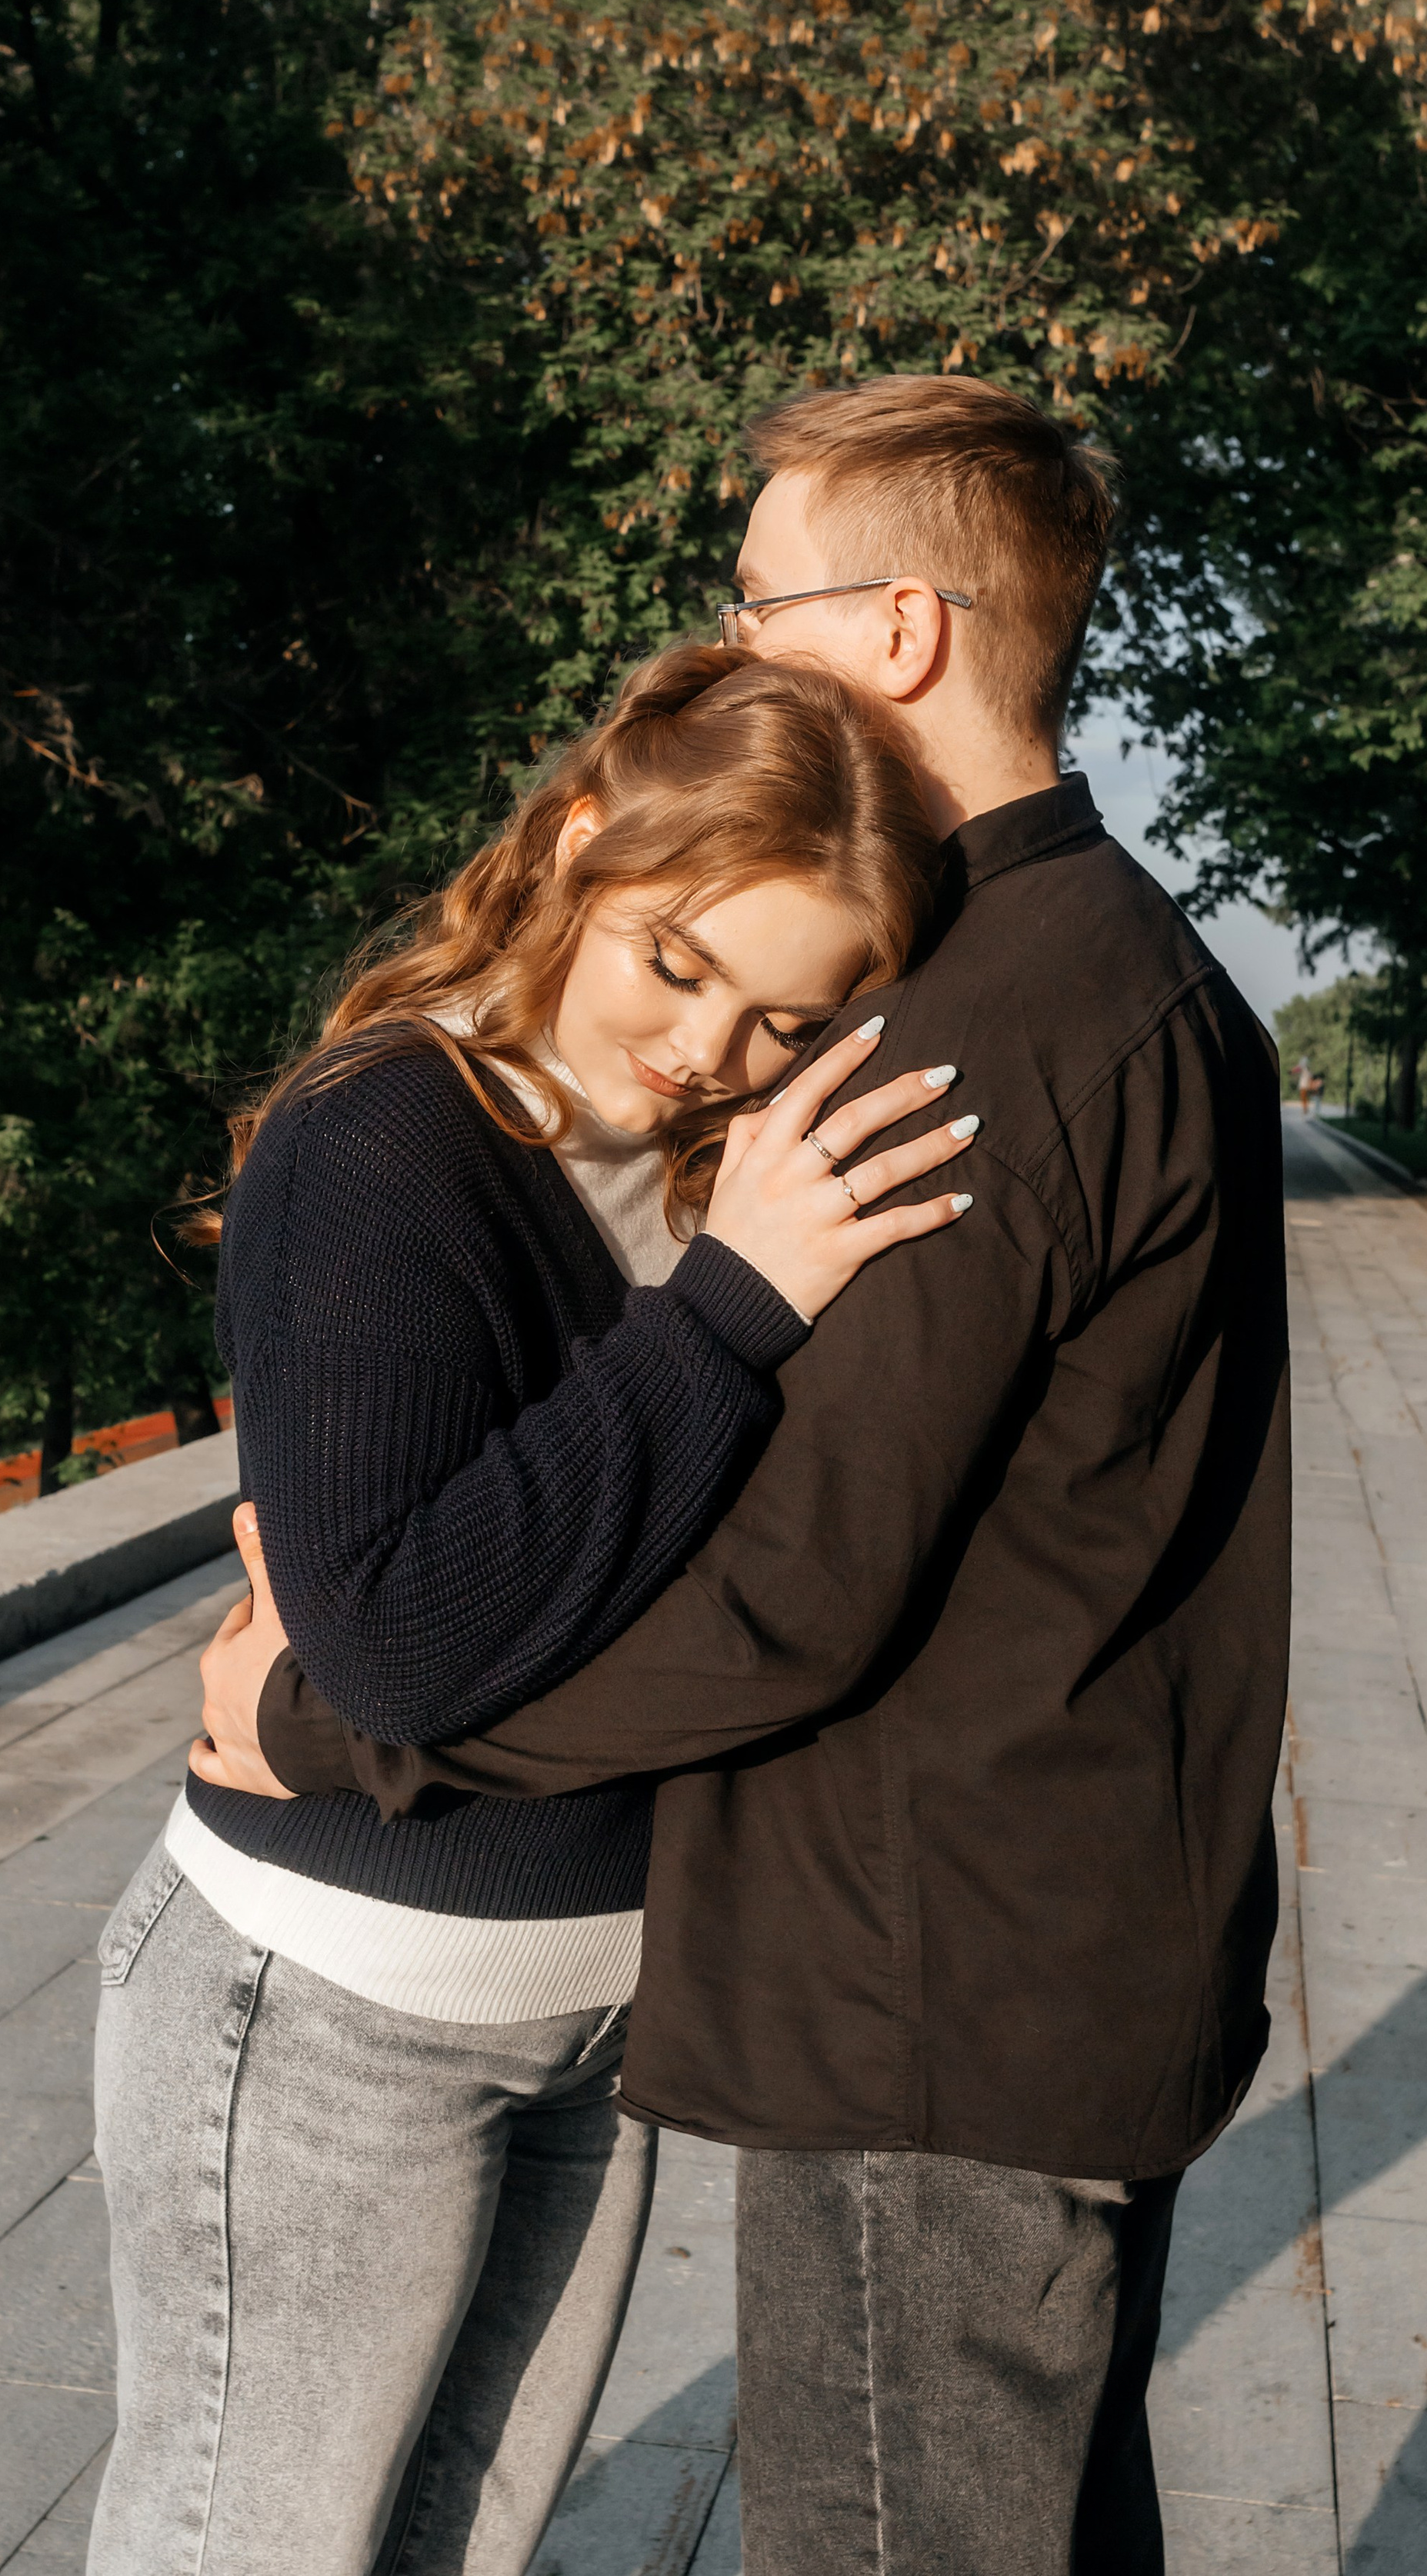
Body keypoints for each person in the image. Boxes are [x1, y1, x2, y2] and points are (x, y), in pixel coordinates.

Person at [202, 374, 1292, 2574]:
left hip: (928, 2011)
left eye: (758, 599)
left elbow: (789, 1586)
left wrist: (327, 1719)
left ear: (896, 632)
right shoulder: (1135, 976)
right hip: (1055, 1963)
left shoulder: (976, 1036)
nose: (724, 655)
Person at [88, 647, 980, 2576]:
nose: (708, 1047)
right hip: (323, 2013)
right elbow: (406, 1642)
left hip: (588, 2027)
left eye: (779, 1015)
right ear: (580, 838)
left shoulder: (731, 1163)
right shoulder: (385, 1143)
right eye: (676, 961)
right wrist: (732, 1302)